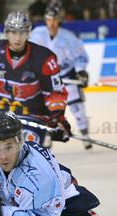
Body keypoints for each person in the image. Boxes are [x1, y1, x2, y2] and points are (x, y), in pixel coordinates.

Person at [0, 11, 71, 148]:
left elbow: (55, 93)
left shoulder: (44, 58)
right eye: (13, 32)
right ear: (6, 33)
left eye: (22, 32)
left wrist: (57, 118)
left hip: (32, 118)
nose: (18, 37)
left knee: (22, 160)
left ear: (28, 33)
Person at [30, 4, 92, 150]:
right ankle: (46, 135)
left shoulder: (69, 37)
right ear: (45, 19)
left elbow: (81, 56)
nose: (51, 23)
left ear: (59, 20)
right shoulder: (37, 34)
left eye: (54, 19)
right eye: (49, 19)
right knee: (44, 109)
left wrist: (81, 71)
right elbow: (29, 53)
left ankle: (85, 135)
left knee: (77, 107)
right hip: (45, 78)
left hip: (66, 74)